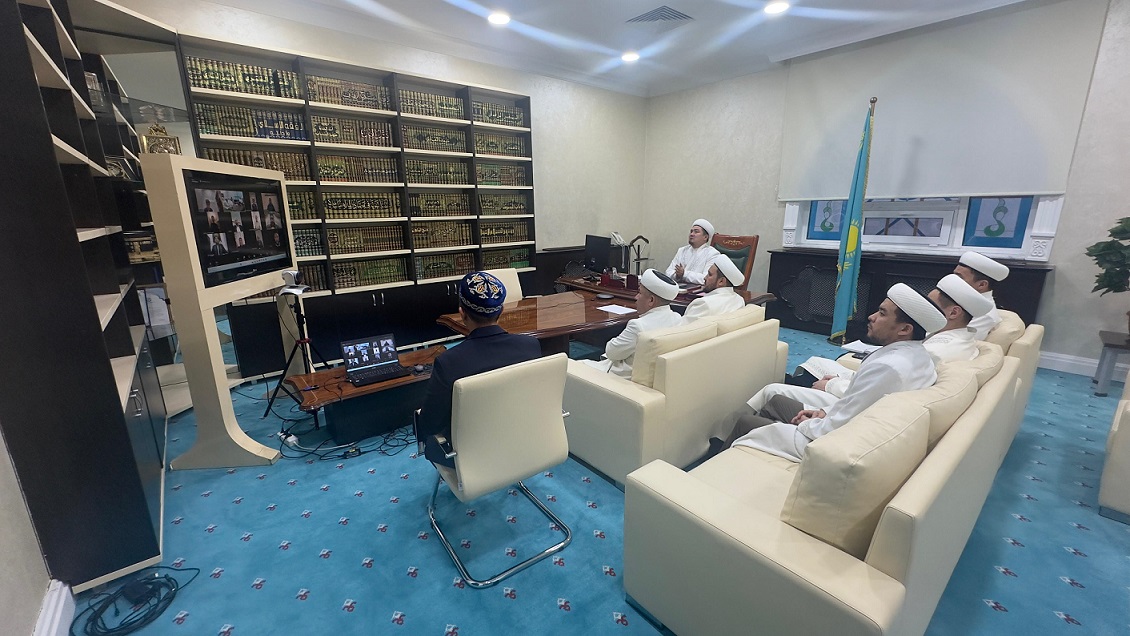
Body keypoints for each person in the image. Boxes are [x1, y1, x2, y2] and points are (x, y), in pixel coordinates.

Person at [710, 283, 946, 462]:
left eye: (882, 313)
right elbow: (856, 404)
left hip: (832, 445)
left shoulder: (890, 368)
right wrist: (823, 412)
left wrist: (808, 424)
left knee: (745, 423)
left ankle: (711, 470)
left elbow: (845, 423)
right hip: (838, 424)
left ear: (905, 329)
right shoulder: (917, 355)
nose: (872, 317)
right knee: (776, 401)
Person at [769, 274, 994, 411]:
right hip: (868, 383)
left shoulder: (940, 350)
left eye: (932, 306)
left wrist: (833, 384)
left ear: (954, 312)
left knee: (788, 386)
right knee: (818, 362)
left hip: (858, 401)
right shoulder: (957, 337)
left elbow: (880, 389)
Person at [417, 271, 541, 467]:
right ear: (501, 311)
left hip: (469, 457)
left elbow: (430, 424)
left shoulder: (449, 362)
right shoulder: (530, 346)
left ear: (462, 313)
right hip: (521, 443)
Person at [583, 269, 684, 378]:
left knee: (572, 366)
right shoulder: (677, 319)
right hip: (653, 377)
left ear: (651, 300)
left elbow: (611, 352)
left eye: (639, 293)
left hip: (618, 379)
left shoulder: (638, 326)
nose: (636, 297)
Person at [953, 251, 1009, 340]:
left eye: (959, 278)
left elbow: (959, 343)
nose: (952, 281)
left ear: (982, 285)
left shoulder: (985, 315)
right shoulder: (958, 299)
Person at [683, 254, 746, 321]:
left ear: (721, 281)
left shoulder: (704, 304)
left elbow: (682, 326)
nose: (705, 278)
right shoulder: (739, 300)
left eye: (710, 274)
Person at [665, 219, 720, 286]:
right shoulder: (682, 250)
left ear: (705, 237)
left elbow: (707, 279)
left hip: (699, 290)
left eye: (696, 232)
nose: (691, 234)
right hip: (677, 287)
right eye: (691, 231)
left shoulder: (712, 253)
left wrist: (684, 274)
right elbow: (668, 273)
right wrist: (677, 276)